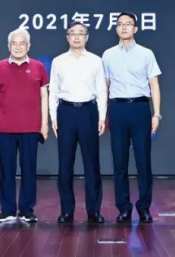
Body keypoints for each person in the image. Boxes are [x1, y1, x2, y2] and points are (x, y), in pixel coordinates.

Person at [102, 12, 162, 224]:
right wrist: (104, 114)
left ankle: (144, 207)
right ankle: (124, 208)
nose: (124, 27)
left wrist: (156, 113)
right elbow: (105, 86)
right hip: (117, 109)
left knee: (143, 161)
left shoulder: (146, 53)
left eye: (128, 24)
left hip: (140, 108)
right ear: (116, 28)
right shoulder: (108, 55)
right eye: (120, 24)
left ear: (135, 28)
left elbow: (154, 84)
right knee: (119, 162)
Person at [0, 28, 49, 224]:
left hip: (31, 128)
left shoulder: (38, 67)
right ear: (9, 46)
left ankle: (27, 210)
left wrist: (44, 124)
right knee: (7, 170)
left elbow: (44, 96)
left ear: (29, 46)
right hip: (4, 128)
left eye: (22, 43)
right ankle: (7, 210)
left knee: (29, 169)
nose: (18, 47)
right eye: (14, 43)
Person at [49, 21, 107, 224]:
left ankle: (94, 210)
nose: (76, 36)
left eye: (80, 33)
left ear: (87, 37)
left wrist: (101, 117)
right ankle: (67, 210)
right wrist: (53, 117)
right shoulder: (58, 61)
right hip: (65, 112)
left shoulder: (96, 61)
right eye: (72, 33)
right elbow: (53, 91)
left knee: (92, 164)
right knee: (65, 164)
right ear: (67, 37)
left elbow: (102, 90)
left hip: (88, 112)